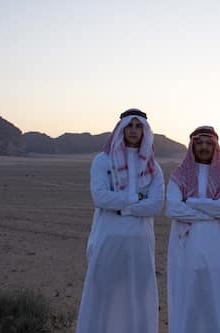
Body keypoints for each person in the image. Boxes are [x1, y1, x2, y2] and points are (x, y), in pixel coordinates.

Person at [76, 109, 164, 333]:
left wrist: (122, 206)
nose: (134, 131)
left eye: (138, 126)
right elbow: (100, 197)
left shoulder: (153, 168)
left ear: (145, 130)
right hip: (108, 239)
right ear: (121, 129)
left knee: (136, 297)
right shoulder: (102, 161)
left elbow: (155, 205)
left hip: (139, 243)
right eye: (130, 126)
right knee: (104, 296)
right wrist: (136, 200)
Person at [165, 125, 220, 333]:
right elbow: (173, 208)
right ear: (192, 146)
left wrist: (191, 202)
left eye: (209, 143)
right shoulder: (179, 175)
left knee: (216, 298)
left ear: (216, 147)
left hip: (217, 248)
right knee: (187, 299)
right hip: (184, 249)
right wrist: (212, 213)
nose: (204, 147)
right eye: (200, 143)